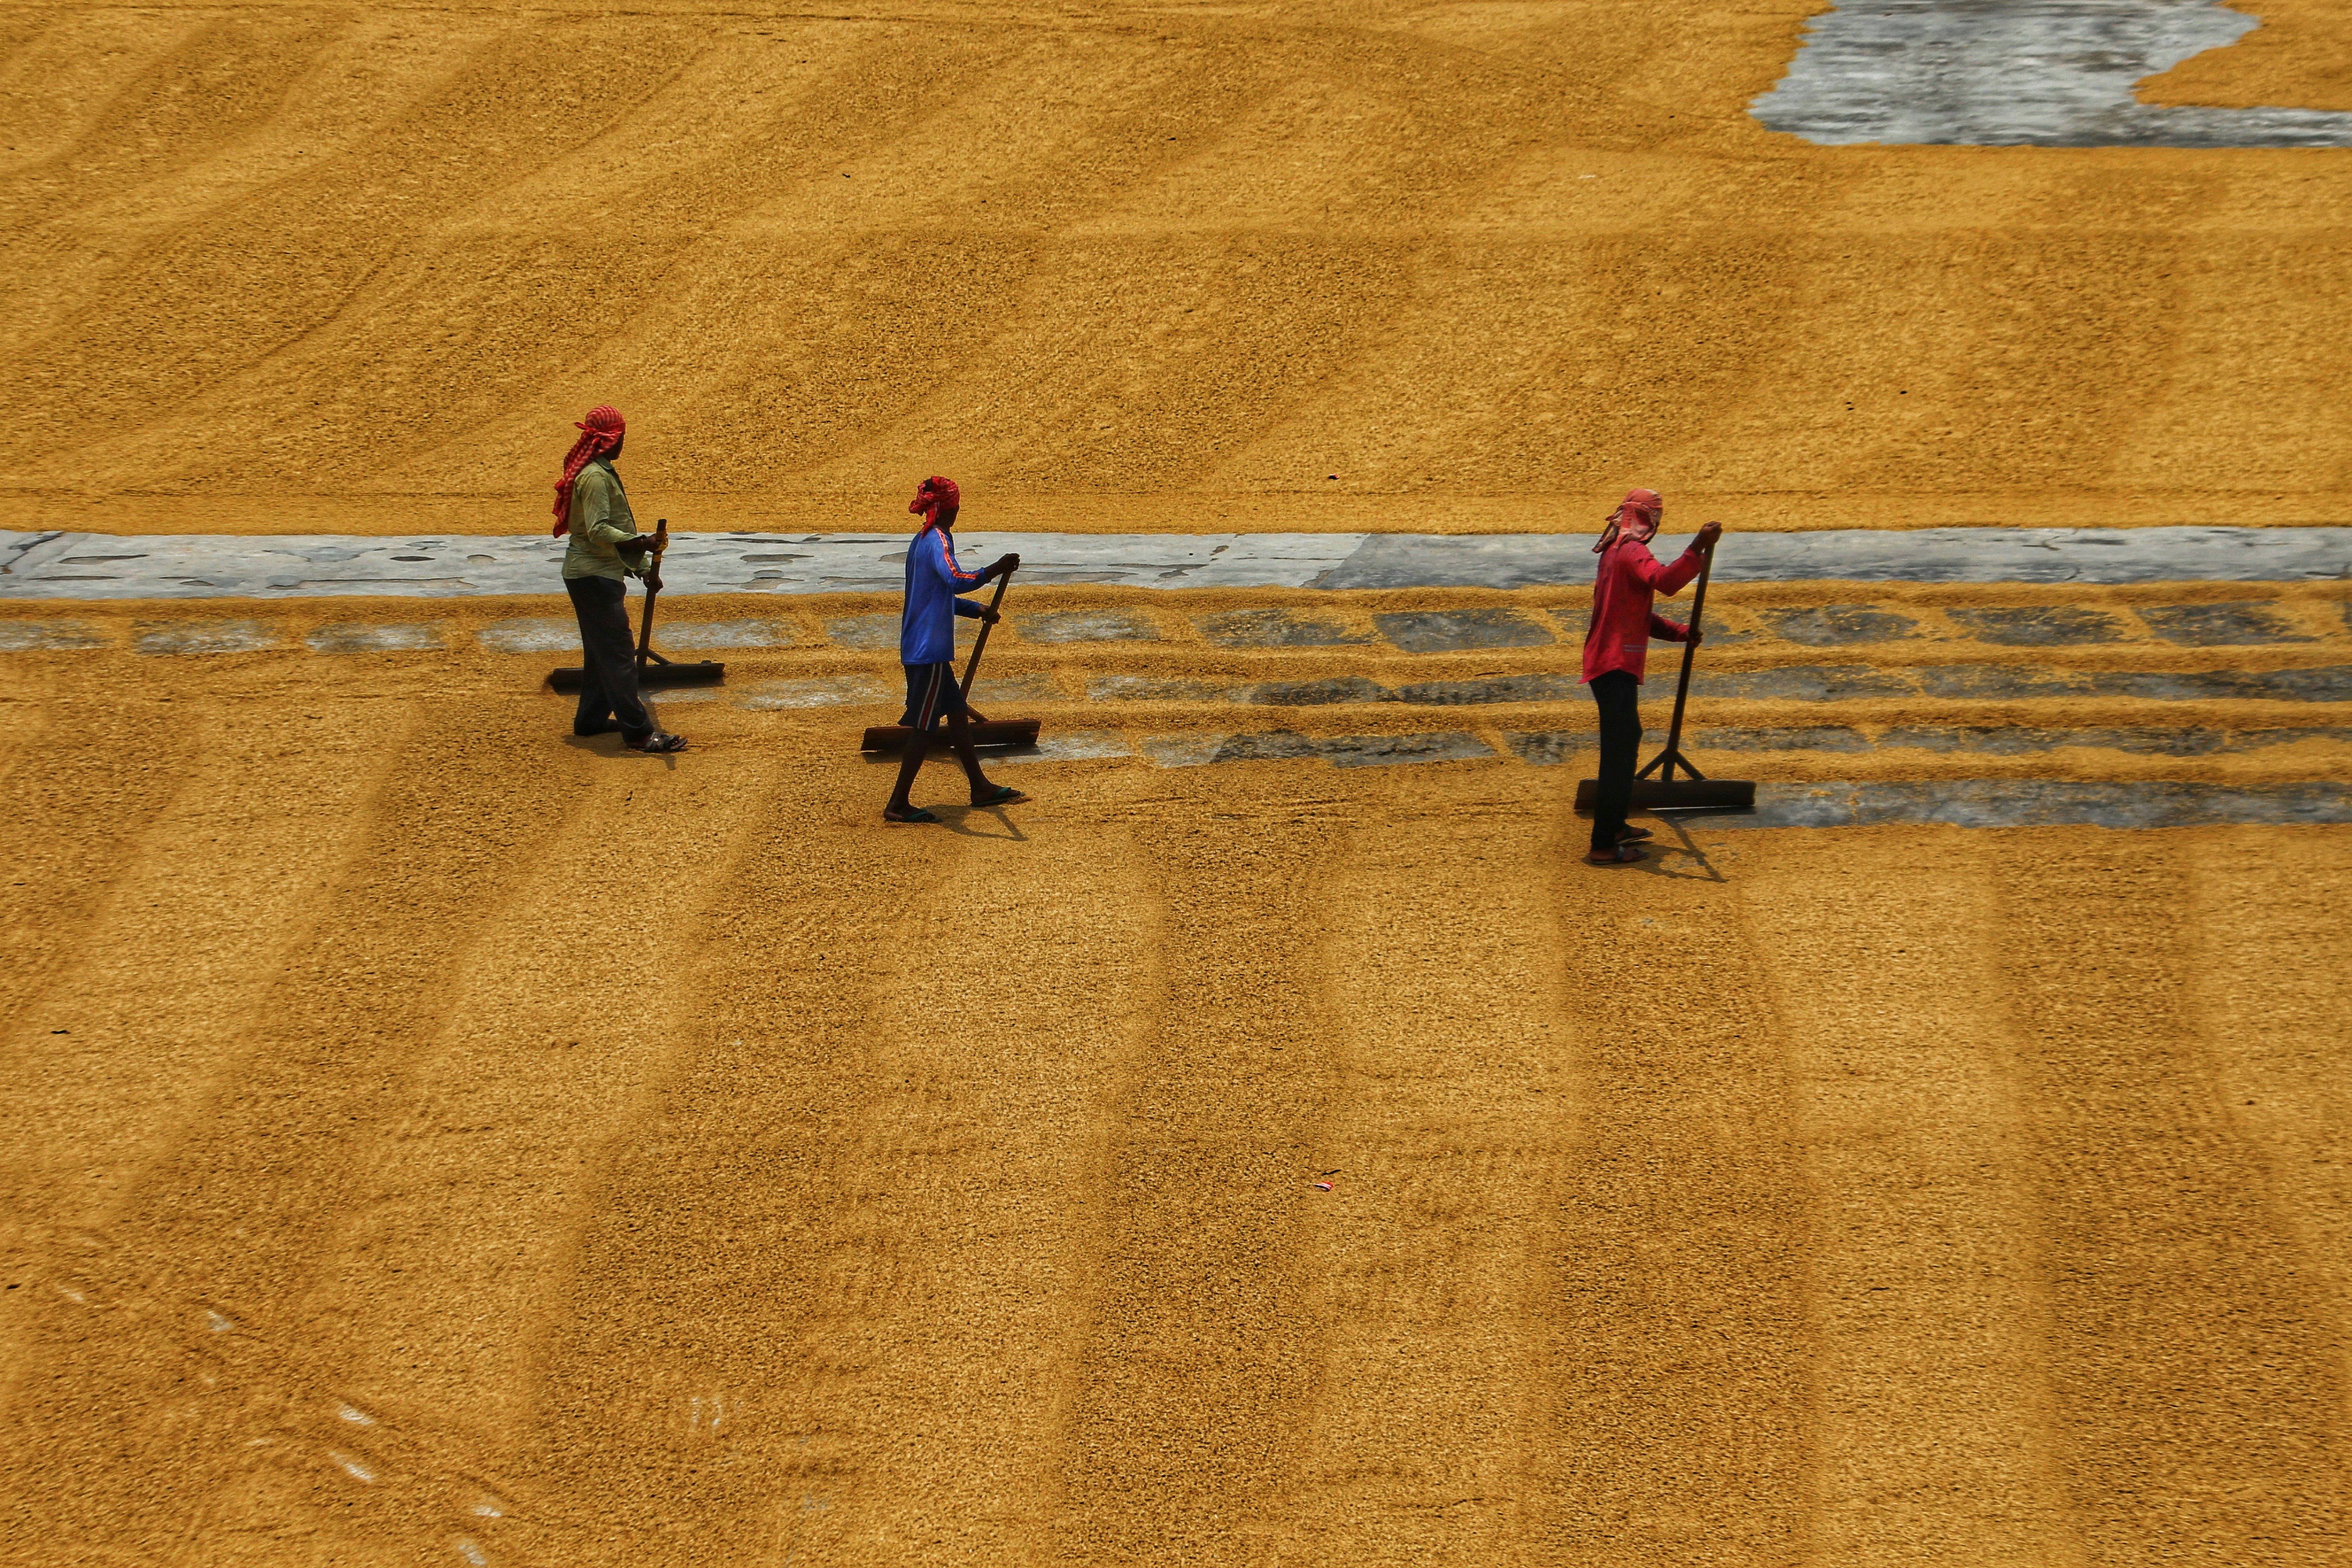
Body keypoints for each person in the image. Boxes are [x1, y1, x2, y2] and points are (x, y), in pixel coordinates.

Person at [1582, 490, 1721, 865]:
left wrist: (1679, 632)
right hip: (1613, 665)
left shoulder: (1613, 552)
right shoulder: (1631, 552)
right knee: (1618, 753)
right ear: (1649, 520)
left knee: (1627, 741)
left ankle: (1615, 826)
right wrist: (1697, 546)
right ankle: (1603, 845)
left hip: (1608, 662)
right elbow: (1665, 581)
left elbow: (1634, 614)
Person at [883, 476, 1026, 824]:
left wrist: (977, 610)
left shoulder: (921, 540)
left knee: (958, 714)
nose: (958, 510)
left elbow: (935, 594)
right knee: (926, 726)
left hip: (923, 645)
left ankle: (980, 787)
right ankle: (898, 804)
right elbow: (955, 580)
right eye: (957, 505)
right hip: (927, 650)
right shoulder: (937, 539)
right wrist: (996, 569)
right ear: (950, 509)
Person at [552, 406, 685, 754]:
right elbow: (599, 532)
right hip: (593, 578)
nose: (623, 443)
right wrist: (642, 543)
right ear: (610, 439)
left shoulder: (600, 472)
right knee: (619, 656)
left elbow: (614, 533)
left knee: (602, 653)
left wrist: (644, 569)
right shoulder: (596, 477)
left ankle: (591, 721)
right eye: (622, 437)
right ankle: (639, 733)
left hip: (594, 574)